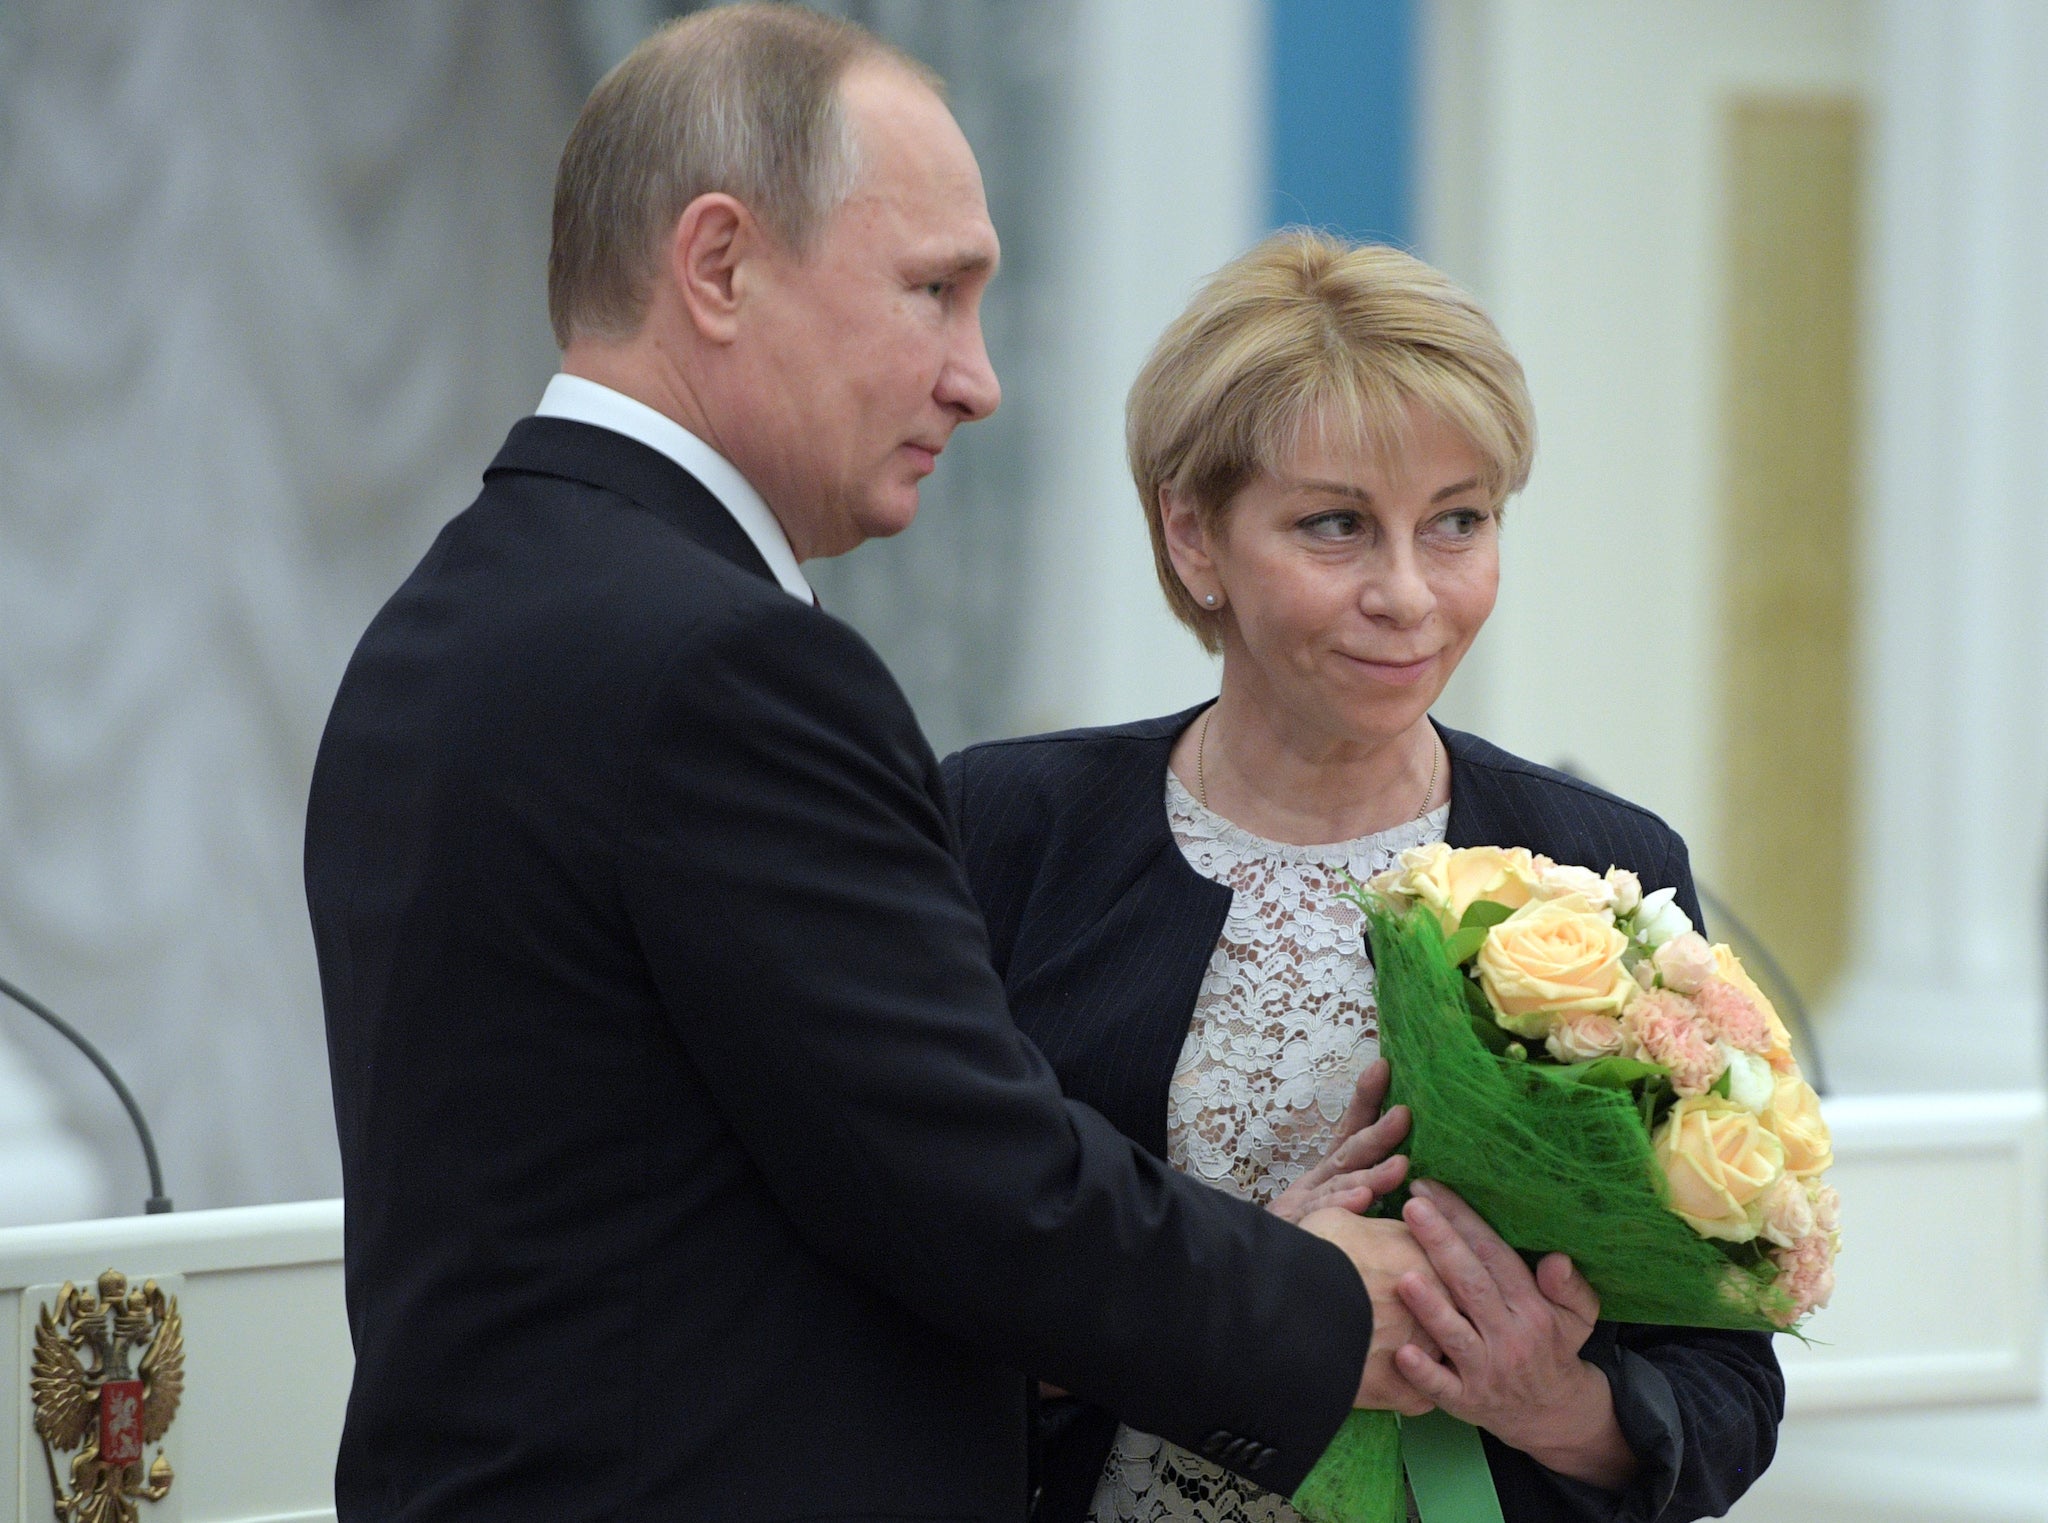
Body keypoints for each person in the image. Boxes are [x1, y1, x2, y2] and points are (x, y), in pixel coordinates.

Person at [304, 12, 1446, 1523]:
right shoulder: (718, 664)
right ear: (717, 266)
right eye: (933, 292)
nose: (976, 380)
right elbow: (970, 1184)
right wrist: (1326, 1306)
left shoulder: (451, 613)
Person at [941, 232, 1786, 1523]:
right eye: (1335, 524)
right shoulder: (1001, 834)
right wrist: (1236, 1300)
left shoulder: (1608, 866)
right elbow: (880, 1303)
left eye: (1457, 522)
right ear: (1193, 535)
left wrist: (1544, 1399)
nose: (1408, 593)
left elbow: (1727, 1390)